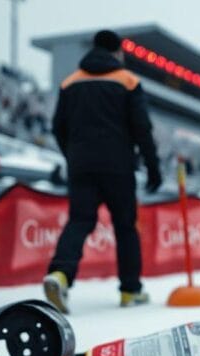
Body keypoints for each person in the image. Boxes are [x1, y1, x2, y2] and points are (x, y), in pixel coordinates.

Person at [43, 29, 161, 313]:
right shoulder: (128, 81)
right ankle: (130, 290)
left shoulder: (71, 82)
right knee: (125, 226)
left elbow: (58, 127)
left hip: (81, 165)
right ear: (118, 52)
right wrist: (152, 166)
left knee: (80, 220)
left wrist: (73, 155)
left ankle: (60, 275)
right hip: (118, 166)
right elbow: (142, 128)